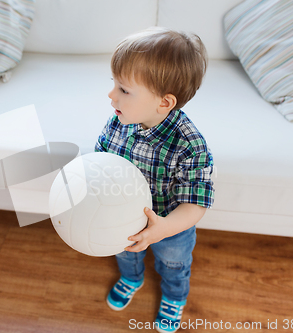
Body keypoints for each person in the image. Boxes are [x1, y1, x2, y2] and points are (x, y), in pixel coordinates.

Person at [94, 27, 215, 333]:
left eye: (123, 89)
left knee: (174, 263)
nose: (111, 96)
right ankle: (132, 277)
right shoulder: (120, 120)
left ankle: (175, 296)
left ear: (164, 103)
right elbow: (101, 157)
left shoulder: (191, 145)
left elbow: (196, 203)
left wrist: (165, 228)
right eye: (114, 84)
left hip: (169, 226)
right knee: (124, 251)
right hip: (122, 216)